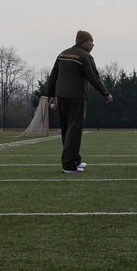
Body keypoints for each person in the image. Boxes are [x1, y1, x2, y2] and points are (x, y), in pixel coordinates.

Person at [48, 30, 113, 173]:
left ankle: (75, 159)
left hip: (61, 96)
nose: (93, 44)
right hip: (76, 97)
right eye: (91, 42)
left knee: (67, 129)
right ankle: (69, 165)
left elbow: (53, 76)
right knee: (75, 129)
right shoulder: (85, 56)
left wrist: (52, 94)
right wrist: (106, 93)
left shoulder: (62, 54)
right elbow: (93, 77)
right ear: (83, 42)